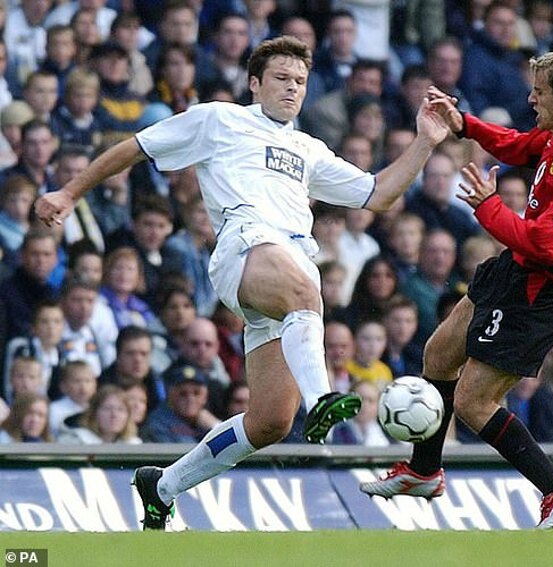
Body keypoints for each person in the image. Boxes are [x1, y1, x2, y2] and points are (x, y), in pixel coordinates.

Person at [35, 35, 448, 530]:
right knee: (306, 294)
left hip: (286, 272)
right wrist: (69, 192)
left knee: (270, 421)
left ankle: (162, 486)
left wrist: (425, 142)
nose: (292, 88)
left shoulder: (308, 148)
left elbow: (378, 194)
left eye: (300, 81)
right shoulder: (219, 119)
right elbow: (135, 147)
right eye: (281, 78)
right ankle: (322, 398)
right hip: (245, 247)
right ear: (254, 83)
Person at [361, 47, 553, 529]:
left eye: (540, 92)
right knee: (439, 354)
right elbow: (521, 146)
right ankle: (424, 470)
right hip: (515, 269)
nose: (531, 99)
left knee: (474, 402)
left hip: (541, 292)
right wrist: (464, 124)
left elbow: (547, 247)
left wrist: (488, 206)